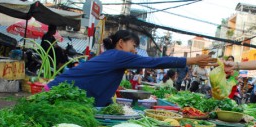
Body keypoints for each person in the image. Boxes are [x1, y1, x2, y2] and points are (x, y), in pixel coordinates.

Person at [46, 30, 216, 107]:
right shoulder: (119, 56)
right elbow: (155, 62)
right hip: (57, 95)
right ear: (121, 43)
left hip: (57, 92)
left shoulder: (112, 56)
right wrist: (192, 60)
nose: (135, 50)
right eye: (133, 45)